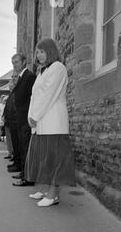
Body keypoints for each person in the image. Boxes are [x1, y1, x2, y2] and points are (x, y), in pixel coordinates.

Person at [25, 38, 76, 207]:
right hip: (41, 120)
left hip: (53, 119)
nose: (39, 54)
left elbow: (49, 94)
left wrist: (35, 115)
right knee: (43, 158)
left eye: (42, 51)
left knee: (54, 158)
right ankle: (46, 189)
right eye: (37, 52)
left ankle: (54, 194)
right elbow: (34, 97)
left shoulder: (58, 68)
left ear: (51, 51)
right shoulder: (42, 71)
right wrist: (30, 116)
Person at [11, 54, 37, 187]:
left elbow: (34, 98)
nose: (14, 65)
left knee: (27, 147)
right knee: (23, 147)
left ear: (24, 62)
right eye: (13, 62)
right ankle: (24, 172)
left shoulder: (29, 76)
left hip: (27, 118)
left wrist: (31, 117)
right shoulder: (21, 77)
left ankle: (29, 177)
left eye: (17, 62)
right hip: (21, 119)